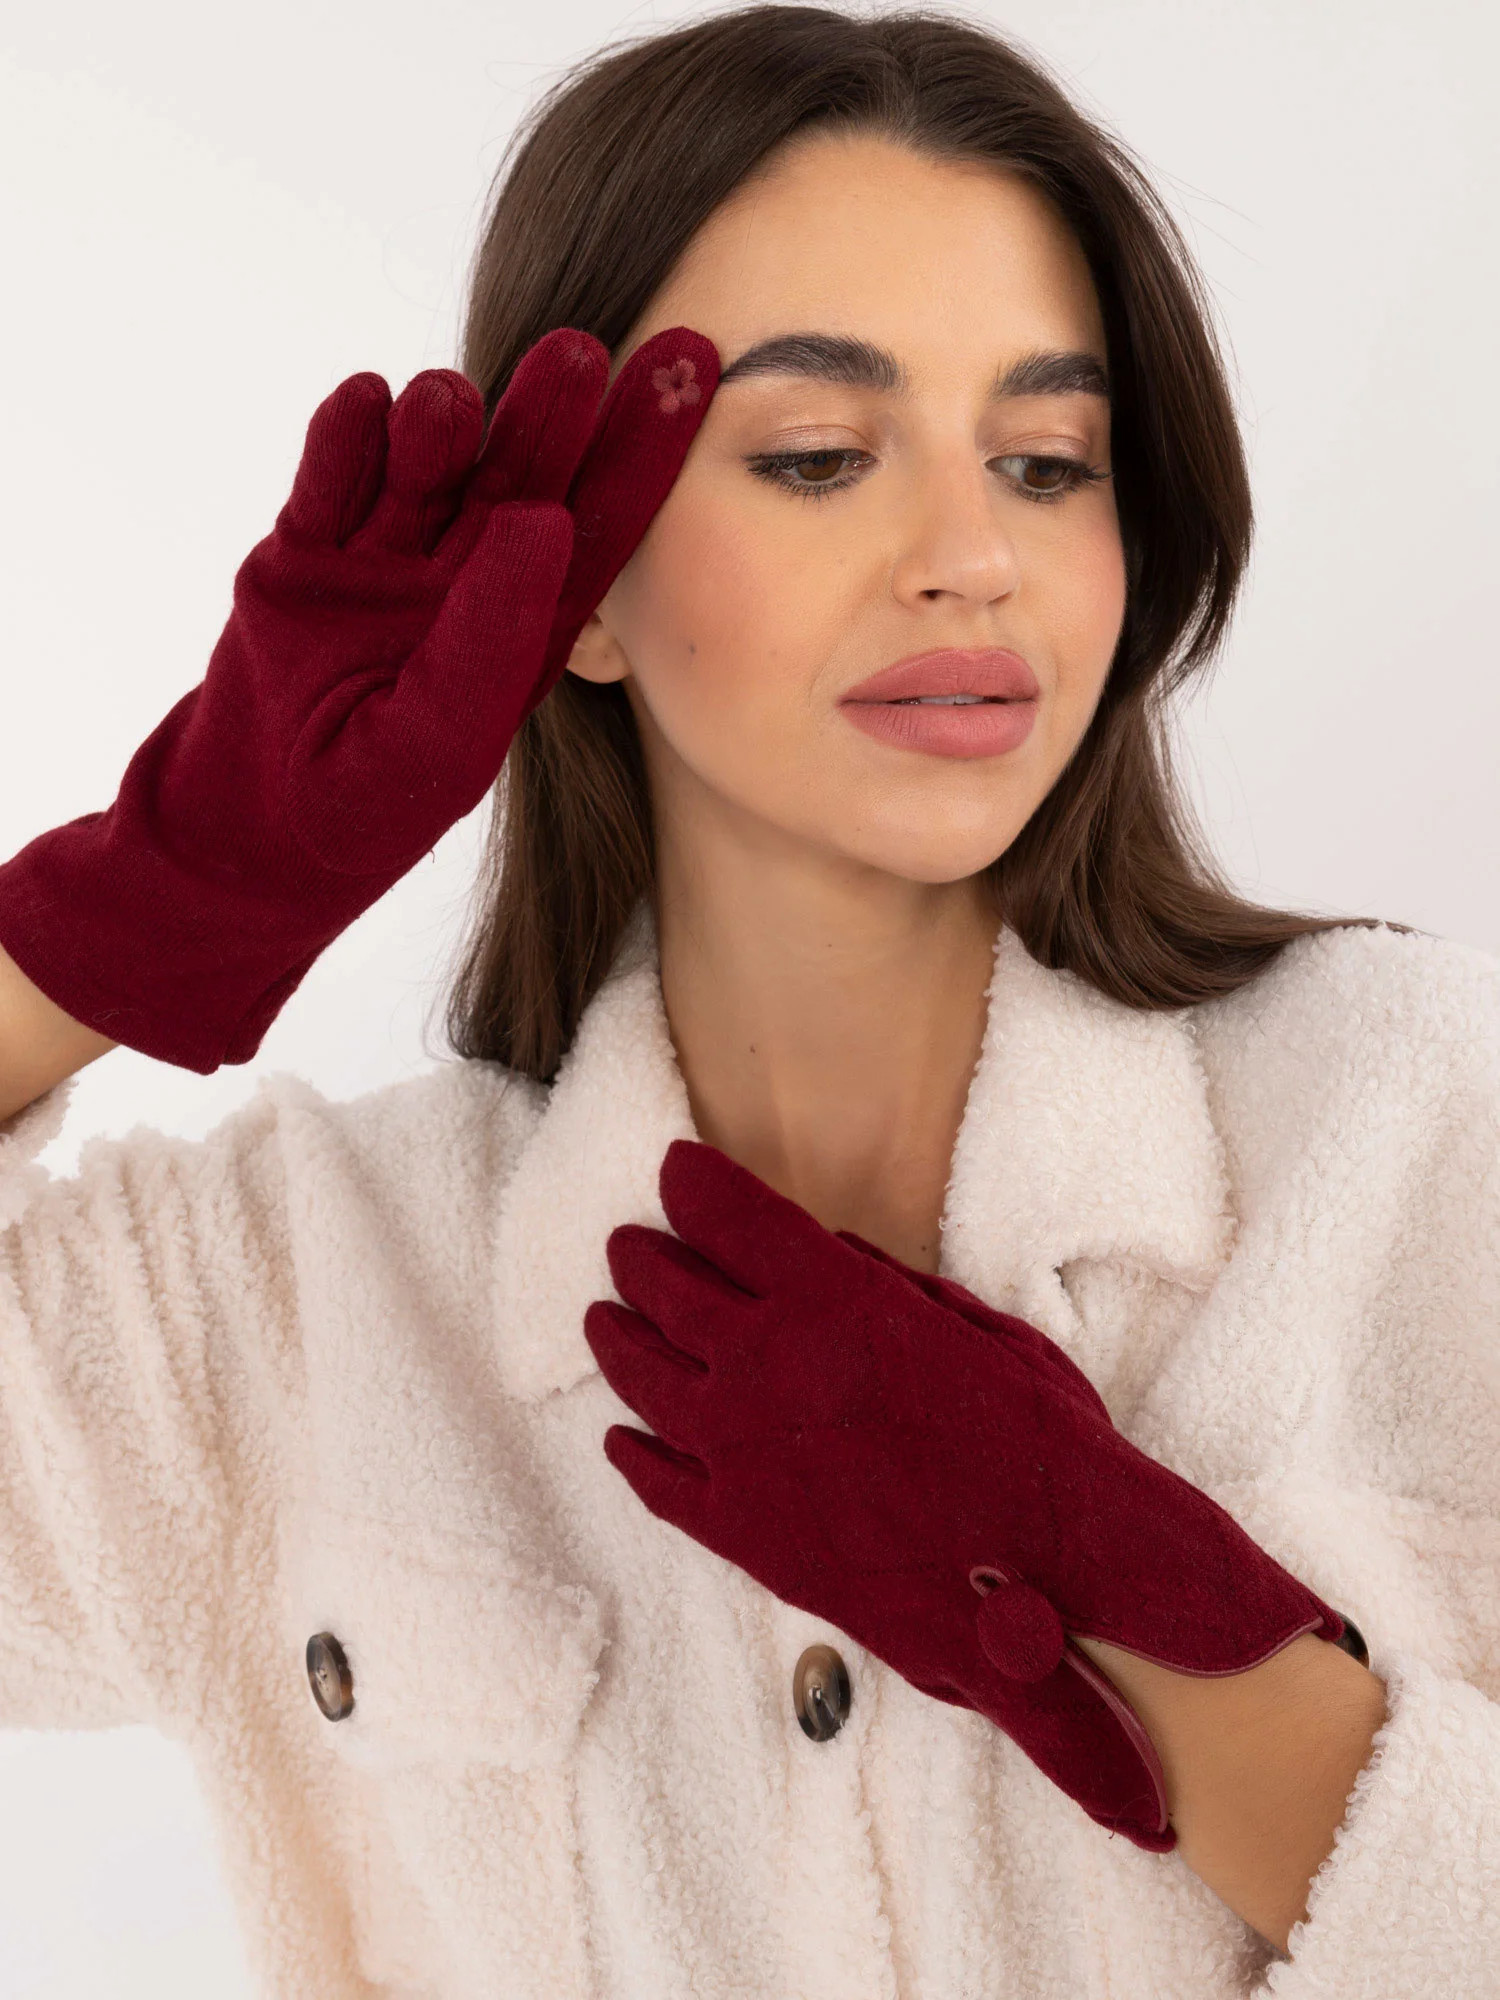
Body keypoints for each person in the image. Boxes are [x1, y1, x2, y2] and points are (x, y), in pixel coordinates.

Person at [0, 4, 1496, 1994]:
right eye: (815, 458)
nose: (970, 556)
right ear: (574, 587)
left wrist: (1114, 1599)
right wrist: (125, 919)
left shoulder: (1418, 1129)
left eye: (1048, 463)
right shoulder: (297, 1295)